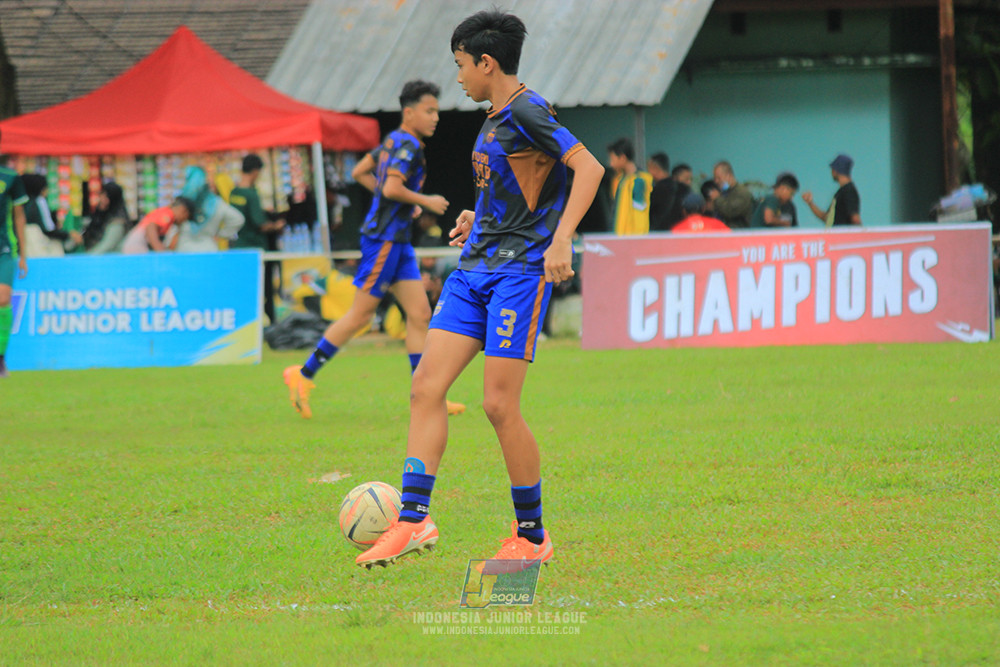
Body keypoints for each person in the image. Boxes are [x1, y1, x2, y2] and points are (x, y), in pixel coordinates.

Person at [355, 9, 605, 570]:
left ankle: (533, 535)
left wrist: (562, 240)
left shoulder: (529, 110)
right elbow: (520, 188)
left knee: (497, 405)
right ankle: (414, 521)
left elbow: (588, 169)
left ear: (487, 62)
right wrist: (479, 216)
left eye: (461, 65)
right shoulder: (493, 117)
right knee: (426, 386)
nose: (458, 78)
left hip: (518, 276)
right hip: (473, 269)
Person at [283, 80, 465, 419]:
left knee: (420, 315)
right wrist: (422, 200)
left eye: (436, 111)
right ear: (409, 112)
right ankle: (302, 374)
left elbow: (360, 172)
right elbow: (393, 186)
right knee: (360, 316)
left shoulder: (392, 142)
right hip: (383, 241)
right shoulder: (407, 145)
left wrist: (396, 200)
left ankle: (424, 394)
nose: (436, 117)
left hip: (396, 242)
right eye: (429, 110)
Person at [229, 155, 286, 323]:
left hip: (240, 245)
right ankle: (270, 321)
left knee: (244, 288)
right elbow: (260, 223)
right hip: (257, 247)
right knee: (265, 288)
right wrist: (276, 225)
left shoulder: (234, 192)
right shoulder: (251, 194)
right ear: (255, 171)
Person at [0, 163, 28, 377]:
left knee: (2, 298)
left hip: (4, 249)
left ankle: (0, 358)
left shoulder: (10, 177)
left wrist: (23, 255)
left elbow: (19, 216)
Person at [176, 165, 245, 253]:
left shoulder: (181, 203)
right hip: (208, 250)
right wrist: (221, 234)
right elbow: (238, 219)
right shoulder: (216, 202)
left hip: (184, 251)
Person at [22, 173, 81, 256]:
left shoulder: (21, 203)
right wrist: (68, 234)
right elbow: (48, 230)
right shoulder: (39, 201)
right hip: (37, 247)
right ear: (41, 189)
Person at [608, 137, 652, 235]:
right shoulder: (621, 180)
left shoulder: (638, 181)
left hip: (631, 240)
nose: (610, 164)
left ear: (622, 158)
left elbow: (639, 215)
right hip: (619, 238)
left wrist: (636, 241)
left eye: (612, 159)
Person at [802, 153, 861, 227]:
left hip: (843, 238)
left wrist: (861, 236)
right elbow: (827, 218)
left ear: (836, 170)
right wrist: (810, 203)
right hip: (836, 237)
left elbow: (855, 219)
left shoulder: (849, 191)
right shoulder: (841, 193)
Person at [120, 197, 195, 254]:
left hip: (136, 245)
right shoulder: (168, 214)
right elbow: (151, 227)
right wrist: (161, 252)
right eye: (186, 217)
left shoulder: (165, 214)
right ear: (183, 210)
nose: (184, 220)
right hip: (137, 246)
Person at [83, 181, 130, 254]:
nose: (102, 200)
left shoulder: (117, 221)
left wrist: (86, 259)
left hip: (108, 261)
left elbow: (106, 247)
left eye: (106, 197)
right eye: (101, 195)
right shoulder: (100, 215)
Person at [713, 160, 755, 228]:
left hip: (739, 234)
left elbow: (730, 211)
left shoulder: (742, 193)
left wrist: (717, 199)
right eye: (715, 178)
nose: (716, 181)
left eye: (718, 178)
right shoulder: (724, 193)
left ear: (728, 176)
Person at [647, 152, 676, 232]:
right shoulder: (676, 186)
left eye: (649, 168)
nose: (648, 171)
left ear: (655, 168)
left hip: (658, 233)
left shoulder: (658, 190)